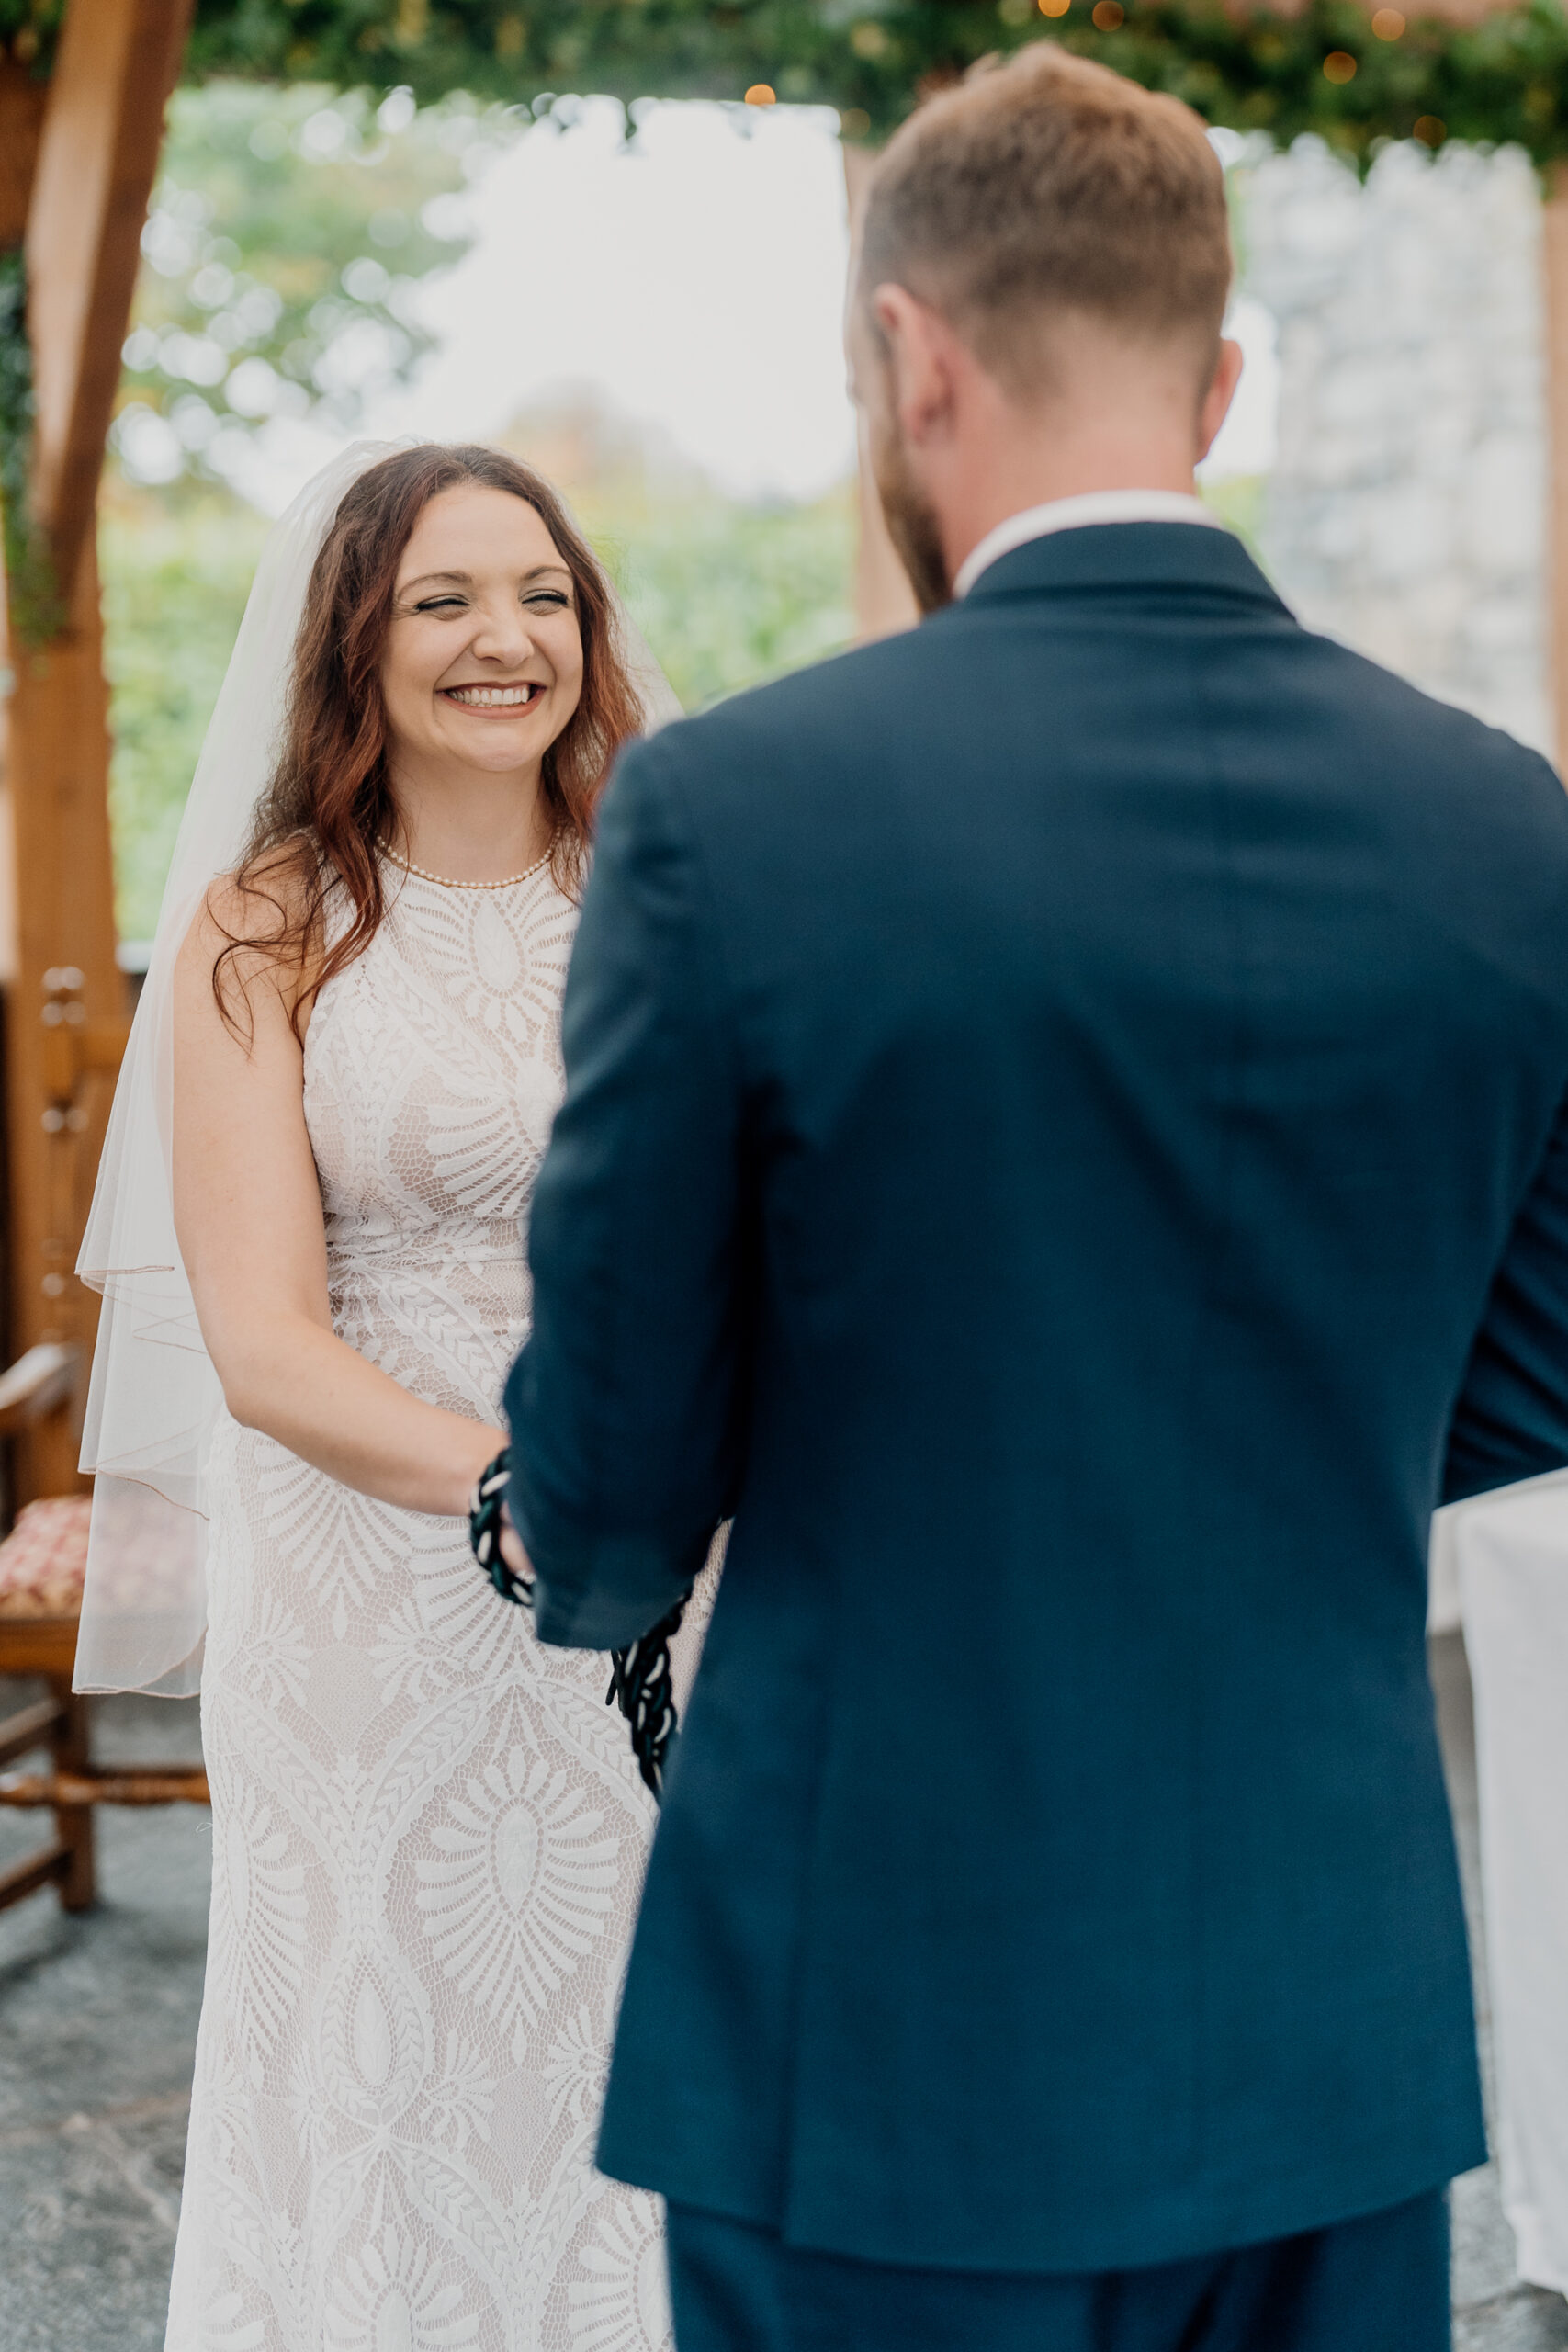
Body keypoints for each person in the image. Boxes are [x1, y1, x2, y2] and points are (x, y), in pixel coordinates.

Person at [500, 48, 1568, 2352]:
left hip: (881, 2006)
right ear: (1218, 372)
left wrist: (585, 1546)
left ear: (910, 353)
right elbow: (1548, 1331)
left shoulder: (735, 812)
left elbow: (614, 1432)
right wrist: (1284, 1445)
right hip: (1321, 2013)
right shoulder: (1499, 822)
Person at [75, 441, 709, 2350]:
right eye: (442, 598)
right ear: (352, 639)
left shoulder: (668, 899)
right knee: (384, 2031)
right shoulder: (263, 930)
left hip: (676, 1561)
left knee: (641, 2022)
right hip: (375, 1580)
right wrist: (532, 1482)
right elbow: (261, 1342)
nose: (504, 636)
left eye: (540, 592)